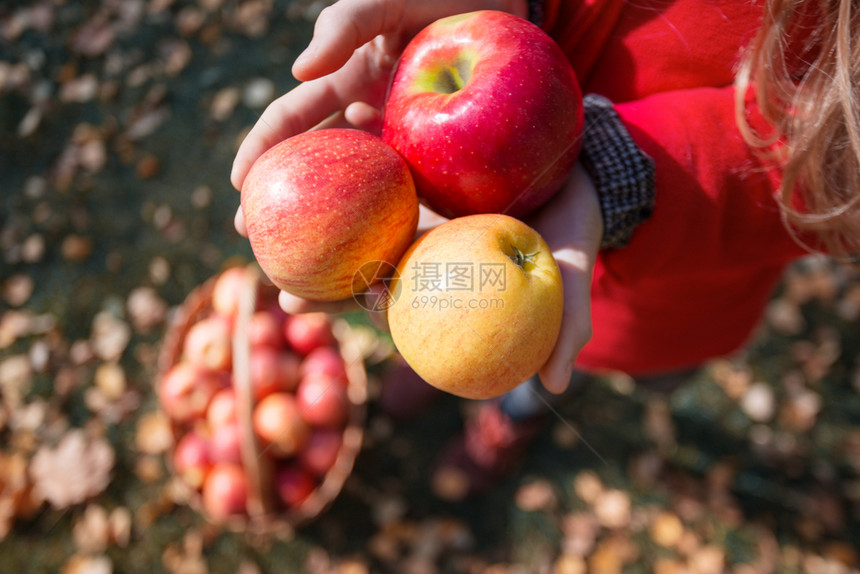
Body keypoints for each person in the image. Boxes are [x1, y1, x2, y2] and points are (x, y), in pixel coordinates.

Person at [231, 0, 860, 499]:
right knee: (460, 323)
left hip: (674, 292)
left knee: (560, 360)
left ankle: (515, 417)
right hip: (474, 244)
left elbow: (837, 168)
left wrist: (620, 173)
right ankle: (431, 337)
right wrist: (521, 8)